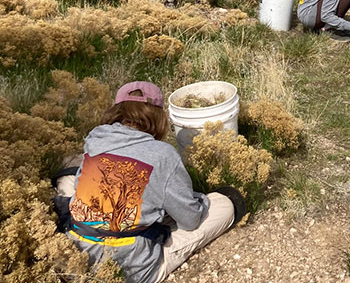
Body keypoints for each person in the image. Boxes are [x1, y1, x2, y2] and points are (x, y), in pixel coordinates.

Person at [54, 81, 243, 283]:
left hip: (78, 259)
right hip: (131, 269)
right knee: (226, 204)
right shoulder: (163, 155)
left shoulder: (95, 139)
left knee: (68, 177)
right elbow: (190, 221)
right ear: (158, 116)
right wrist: (196, 199)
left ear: (116, 110)